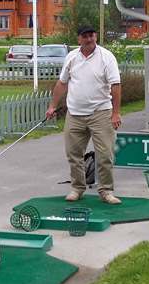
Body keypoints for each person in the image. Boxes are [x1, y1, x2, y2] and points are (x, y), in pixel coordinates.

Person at [46, 24, 122, 204]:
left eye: (92, 35)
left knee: (104, 156)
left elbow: (115, 85)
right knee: (74, 155)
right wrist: (52, 106)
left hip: (101, 112)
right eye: (85, 36)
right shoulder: (71, 57)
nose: (89, 39)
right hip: (75, 113)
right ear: (79, 39)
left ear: (96, 37)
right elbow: (62, 83)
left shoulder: (107, 57)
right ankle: (77, 189)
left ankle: (106, 191)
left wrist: (116, 113)